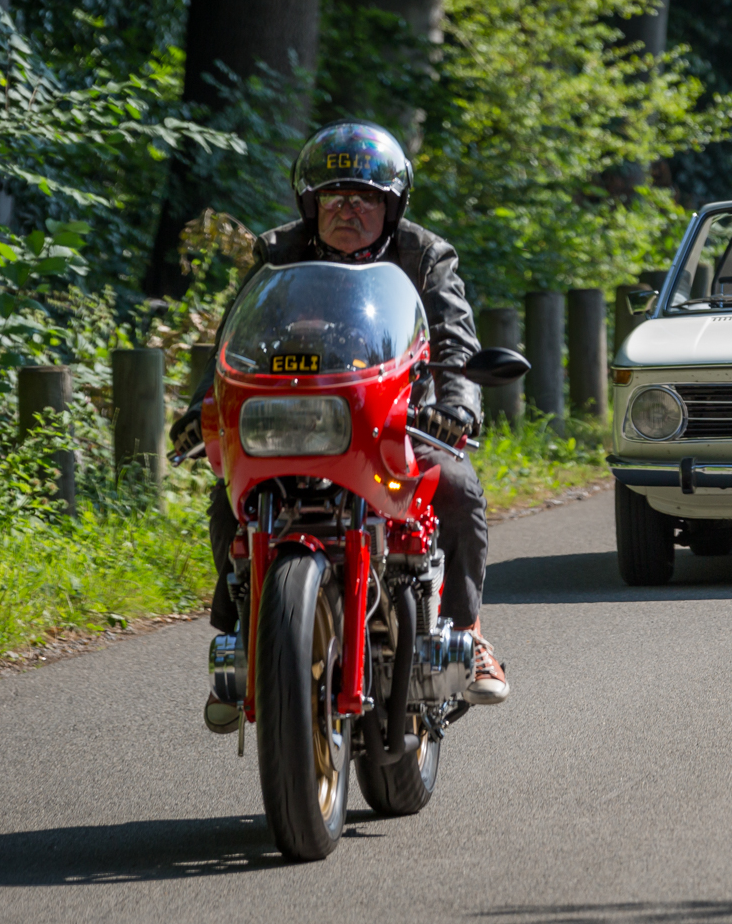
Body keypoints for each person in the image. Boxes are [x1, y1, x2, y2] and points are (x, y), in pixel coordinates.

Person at [171, 120, 508, 733]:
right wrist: (204, 409)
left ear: (392, 206)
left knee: (457, 486)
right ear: (311, 205)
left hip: (393, 419)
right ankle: (240, 641)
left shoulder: (425, 256)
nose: (349, 211)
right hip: (298, 416)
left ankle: (468, 630)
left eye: (366, 199)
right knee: (232, 504)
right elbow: (235, 343)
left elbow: (455, 345)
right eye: (335, 198)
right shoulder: (278, 254)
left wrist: (457, 408)